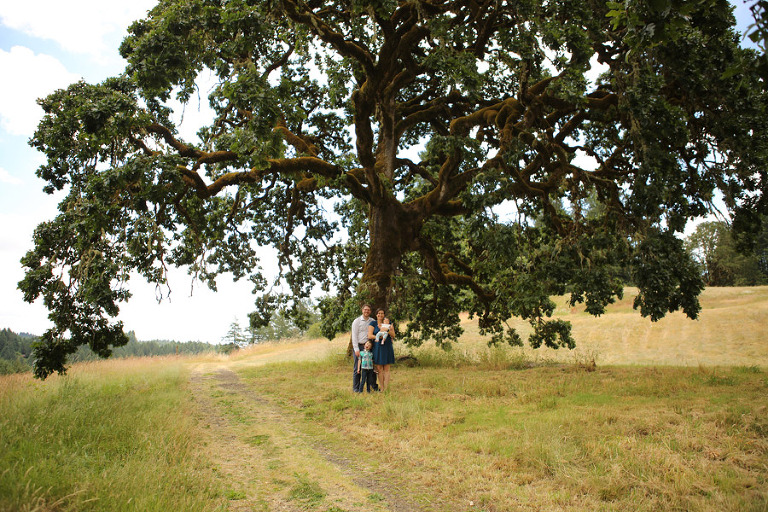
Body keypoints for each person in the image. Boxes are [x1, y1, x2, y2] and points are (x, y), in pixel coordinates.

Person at [351, 304, 378, 392]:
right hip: (360, 346)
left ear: (370, 311)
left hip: (370, 346)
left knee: (371, 367)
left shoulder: (373, 321)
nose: (367, 311)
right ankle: (356, 388)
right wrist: (356, 349)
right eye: (365, 309)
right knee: (358, 368)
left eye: (368, 310)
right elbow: (354, 336)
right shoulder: (357, 321)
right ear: (362, 310)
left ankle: (373, 386)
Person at [369, 308, 396, 391]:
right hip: (377, 347)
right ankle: (382, 388)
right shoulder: (373, 323)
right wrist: (379, 337)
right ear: (376, 314)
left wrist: (387, 330)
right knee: (380, 369)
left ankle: (387, 388)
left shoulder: (389, 323)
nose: (380, 315)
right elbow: (369, 335)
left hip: (387, 346)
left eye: (382, 313)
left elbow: (393, 335)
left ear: (384, 315)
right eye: (379, 313)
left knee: (387, 369)